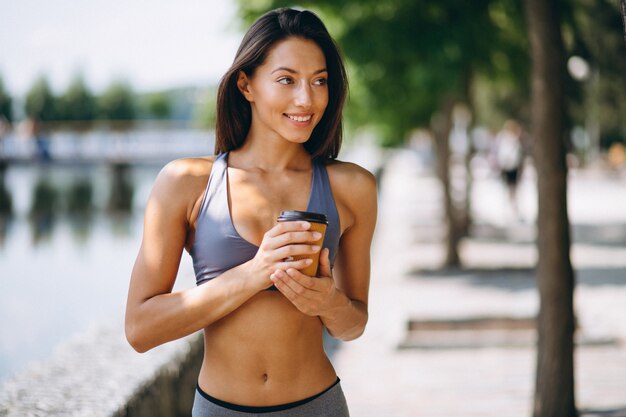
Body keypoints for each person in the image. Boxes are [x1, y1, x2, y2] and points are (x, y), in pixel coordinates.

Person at [125, 8, 377, 417]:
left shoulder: (352, 188)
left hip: (319, 406)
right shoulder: (186, 183)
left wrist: (327, 301)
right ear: (246, 84)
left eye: (319, 81)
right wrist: (253, 274)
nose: (306, 99)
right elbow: (139, 329)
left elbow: (353, 325)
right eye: (286, 79)